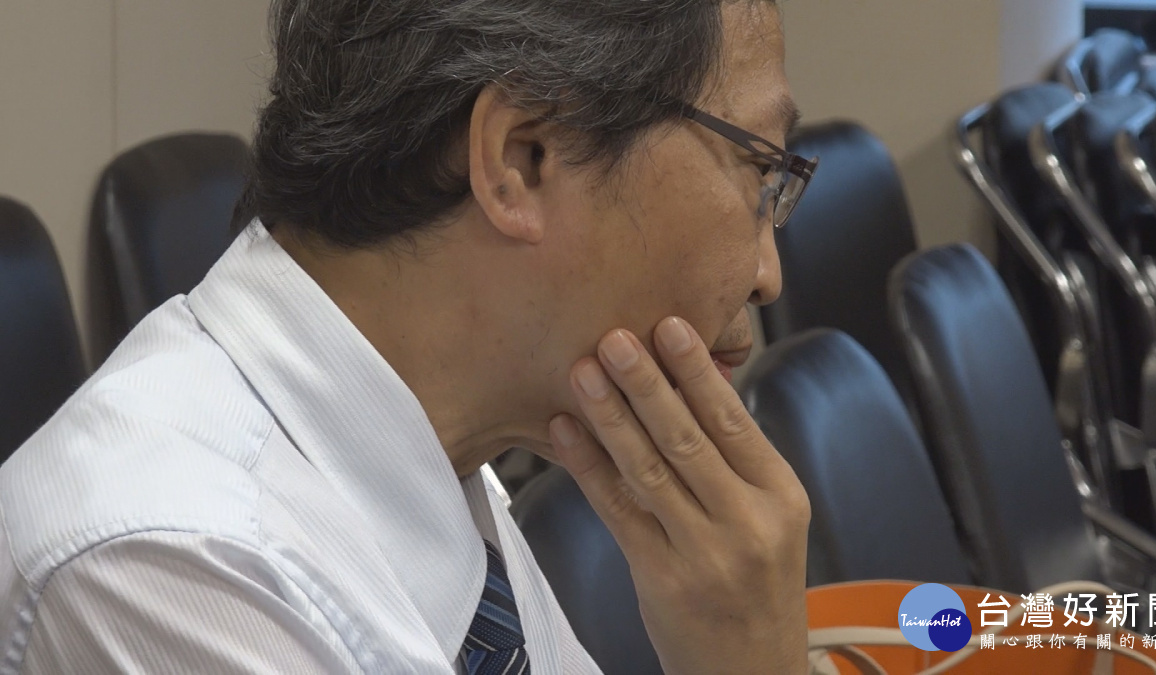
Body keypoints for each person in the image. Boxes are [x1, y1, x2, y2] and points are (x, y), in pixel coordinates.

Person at [0, 0, 815, 672]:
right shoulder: (166, 560)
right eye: (761, 169)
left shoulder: (439, 445)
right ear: (521, 158)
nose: (767, 276)